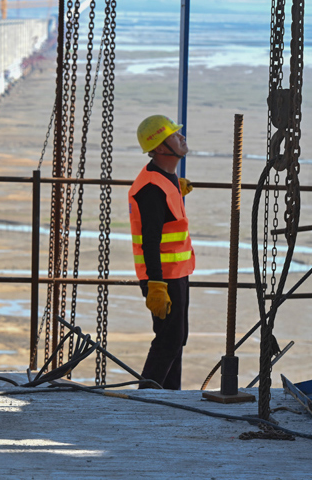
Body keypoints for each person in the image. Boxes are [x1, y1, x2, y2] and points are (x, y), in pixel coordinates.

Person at [128, 115, 195, 390]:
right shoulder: (153, 190)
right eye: (174, 135)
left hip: (176, 274)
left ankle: (170, 398)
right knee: (168, 339)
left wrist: (176, 191)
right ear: (159, 147)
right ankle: (148, 400)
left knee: (177, 337)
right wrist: (155, 284)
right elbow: (150, 241)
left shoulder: (165, 179)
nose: (182, 137)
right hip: (162, 278)